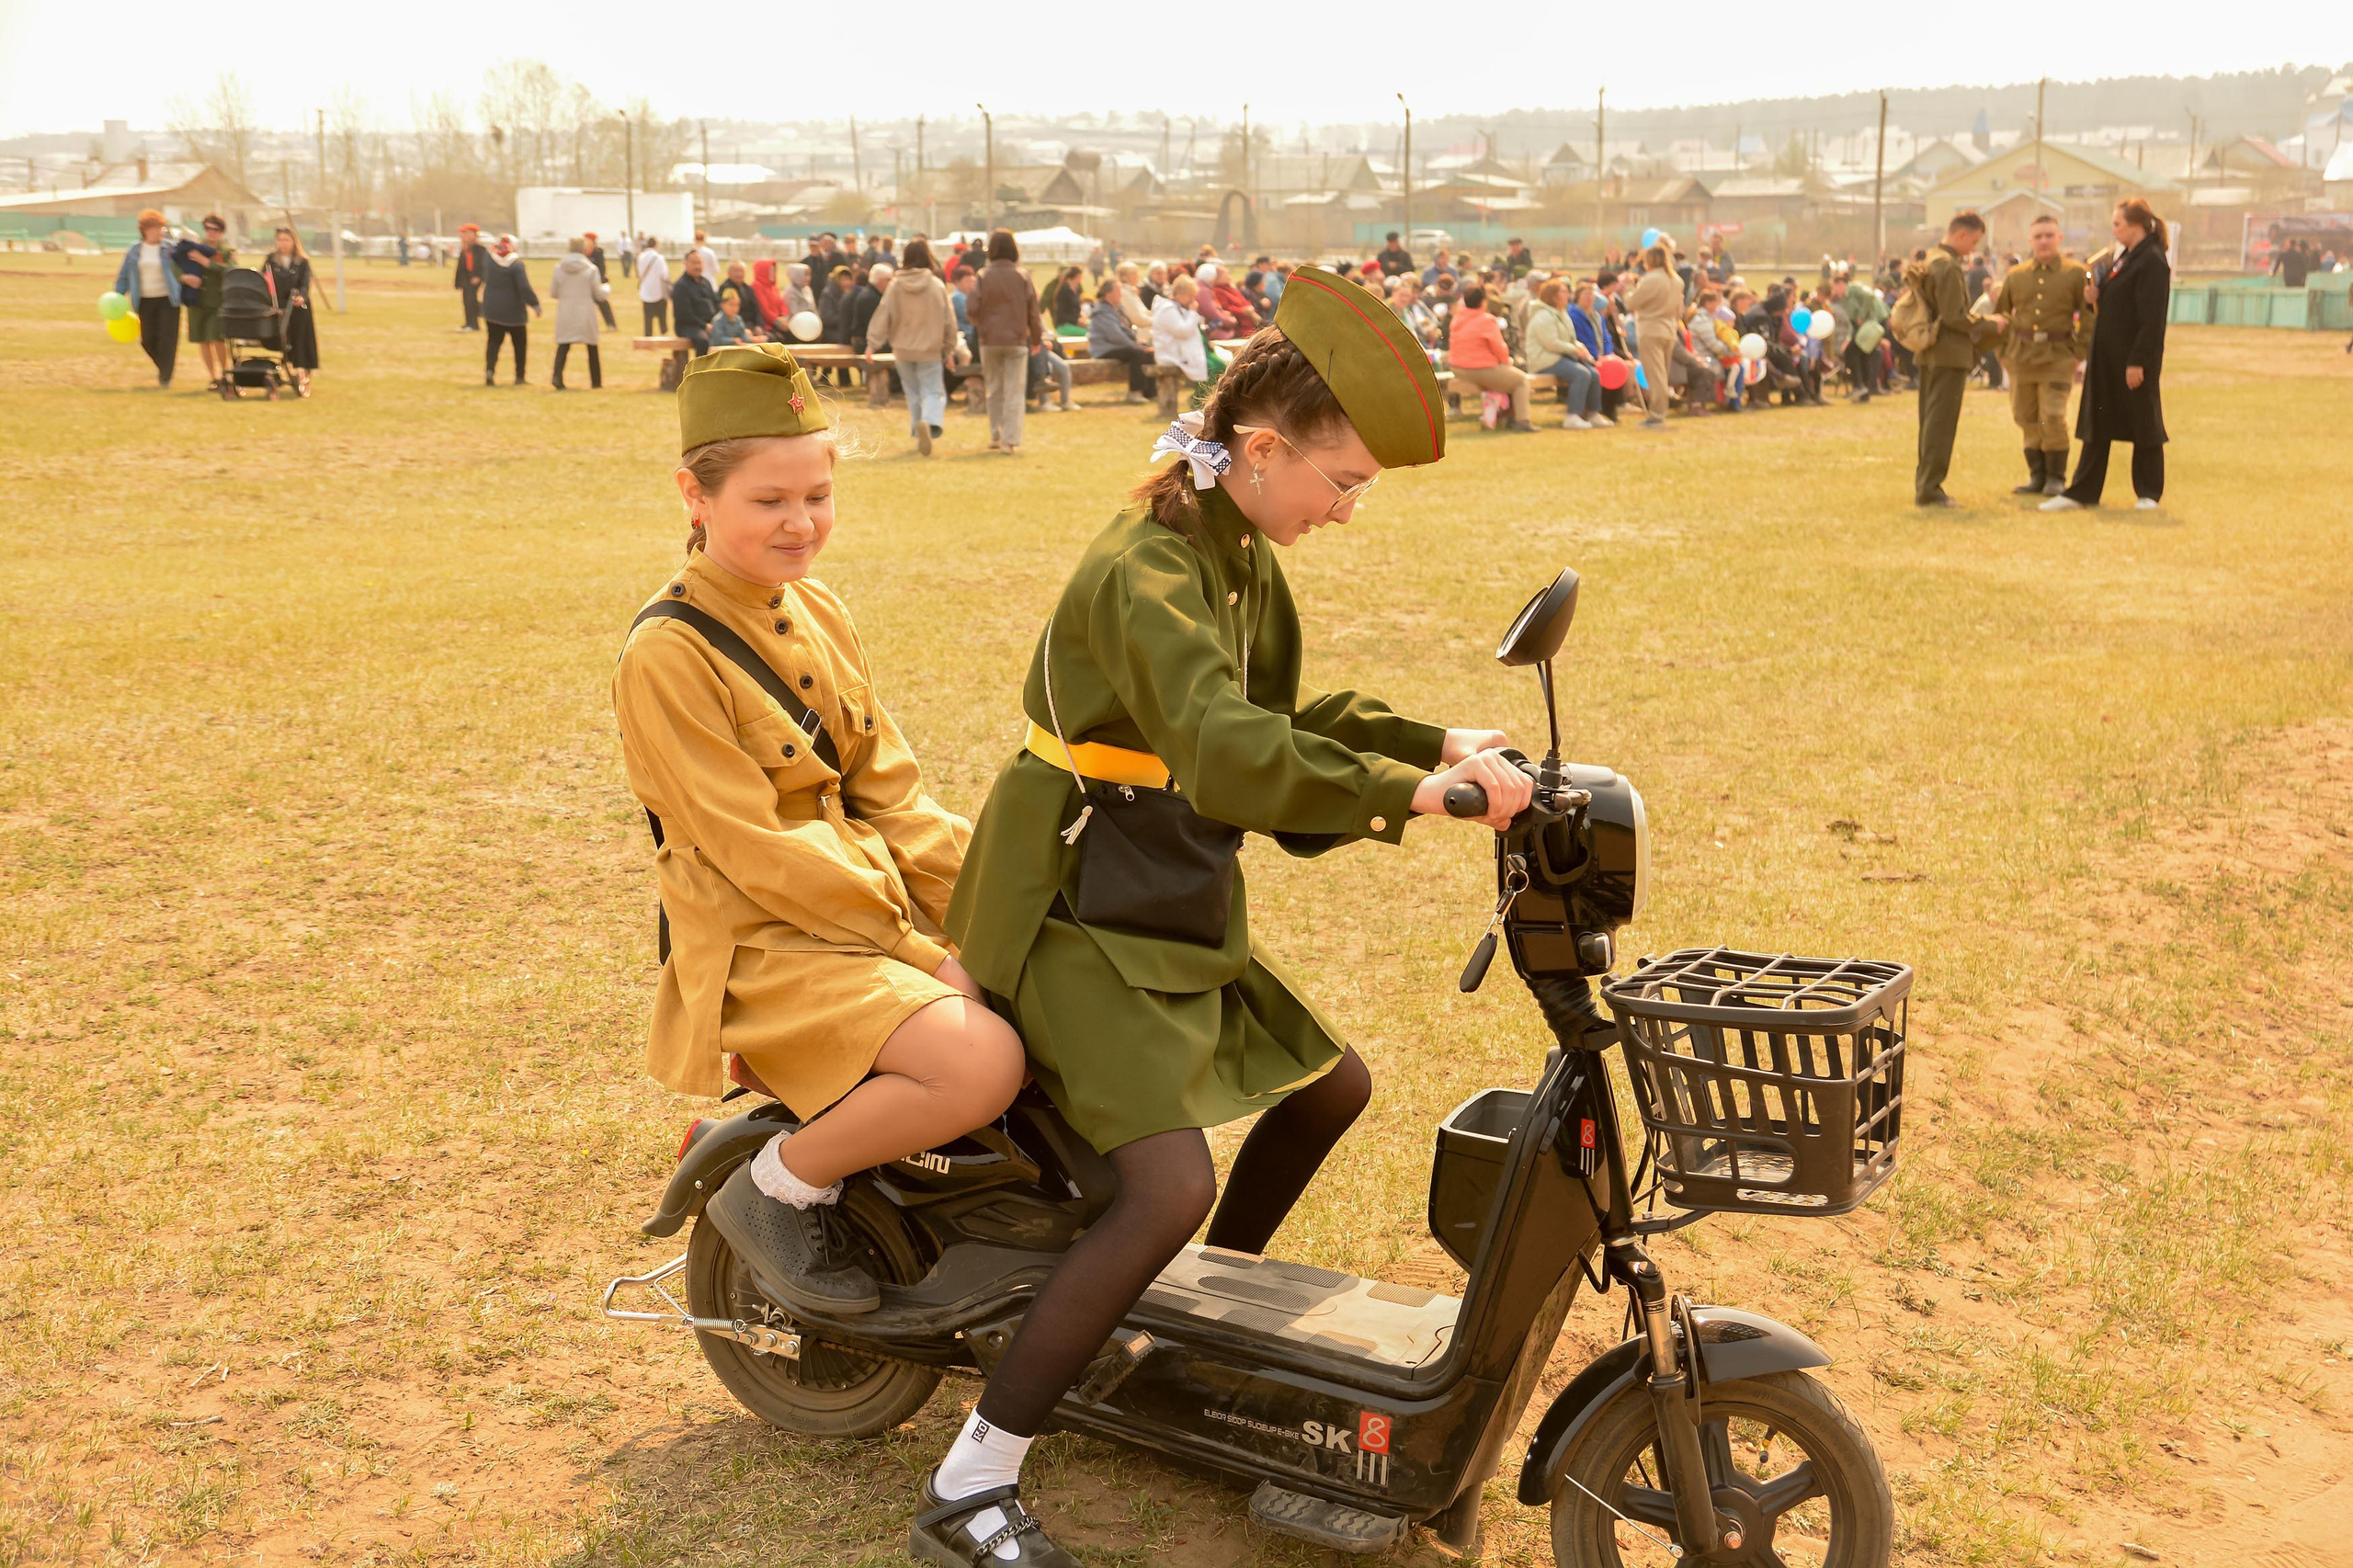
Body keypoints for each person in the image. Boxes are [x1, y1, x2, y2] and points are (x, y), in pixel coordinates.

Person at [910, 267, 1531, 1566]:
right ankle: (975, 1478)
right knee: (1164, 1185)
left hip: (1164, 886)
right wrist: (1417, 792)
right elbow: (1223, 744)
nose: (1346, 510)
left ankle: (1153, 1327)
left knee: (1328, 1084)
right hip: (1077, 900)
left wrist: (1435, 738)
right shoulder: (1147, 567)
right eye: (1344, 480)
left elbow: (1289, 720)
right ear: (1259, 449)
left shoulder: (1238, 551)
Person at [613, 344, 1024, 1320]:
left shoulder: (818, 608)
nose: (801, 522)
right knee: (979, 1060)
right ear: (694, 495)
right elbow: (760, 849)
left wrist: (993, 897)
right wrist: (922, 949)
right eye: (769, 501)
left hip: (859, 907)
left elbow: (891, 788)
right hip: (766, 937)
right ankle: (779, 1187)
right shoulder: (665, 654)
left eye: (819, 495)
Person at [2045, 199, 2171, 512]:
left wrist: (2138, 361)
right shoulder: (2122, 259)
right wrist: (2093, 298)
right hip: (2106, 356)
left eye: (2118, 224)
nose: (2114, 230)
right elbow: (2114, 305)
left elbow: (2151, 319)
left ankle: (2148, 493)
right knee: (2097, 422)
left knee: (2144, 423)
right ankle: (2083, 491)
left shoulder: (2152, 260)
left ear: (2137, 225)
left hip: (2133, 358)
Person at [1993, 214, 2094, 496]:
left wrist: (2078, 354)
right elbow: (2000, 316)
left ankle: (2055, 478)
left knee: (2052, 415)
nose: (2044, 241)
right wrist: (2002, 353)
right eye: (2038, 236)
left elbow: (2088, 317)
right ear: (2030, 241)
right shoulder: (2017, 275)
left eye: (2049, 235)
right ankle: (2036, 477)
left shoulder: (2076, 273)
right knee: (2026, 416)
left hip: (2058, 356)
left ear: (2059, 238)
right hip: (2021, 357)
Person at [1911, 211, 2004, 507]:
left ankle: (1926, 484)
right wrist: (1991, 324)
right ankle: (1930, 489)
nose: (1973, 250)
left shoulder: (1930, 259)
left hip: (1929, 352)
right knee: (1940, 425)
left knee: (1930, 423)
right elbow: (1955, 316)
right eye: (1973, 242)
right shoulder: (1948, 266)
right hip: (1949, 354)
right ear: (1961, 235)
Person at [863, 237, 969, 455]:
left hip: (902, 349)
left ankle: (917, 428)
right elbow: (949, 320)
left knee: (912, 392)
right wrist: (949, 348)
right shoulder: (936, 285)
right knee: (933, 390)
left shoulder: (895, 285)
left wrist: (872, 344)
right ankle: (929, 423)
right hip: (929, 349)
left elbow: (883, 314)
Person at [975, 229, 1042, 455]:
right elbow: (1034, 311)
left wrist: (983, 325)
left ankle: (996, 433)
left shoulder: (982, 276)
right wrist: (1036, 338)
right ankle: (1010, 440)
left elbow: (972, 309)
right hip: (1016, 340)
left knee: (994, 389)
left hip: (989, 340)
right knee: (1014, 391)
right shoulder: (1022, 276)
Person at [1444, 283, 1533, 432]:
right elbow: (1499, 348)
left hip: (1458, 368)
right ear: (1484, 302)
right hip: (1480, 369)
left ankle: (1507, 417)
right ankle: (1523, 421)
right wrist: (1506, 362)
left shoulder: (1457, 318)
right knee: (1521, 381)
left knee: (1507, 376)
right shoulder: (1487, 320)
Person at [112, 210, 183, 388]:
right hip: (145, 300)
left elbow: (183, 269)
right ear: (145, 230)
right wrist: (117, 296)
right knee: (148, 339)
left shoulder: (170, 248)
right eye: (155, 228)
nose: (160, 232)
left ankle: (165, 376)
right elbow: (124, 276)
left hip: (168, 299)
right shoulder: (134, 250)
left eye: (162, 228)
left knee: (168, 338)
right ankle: (164, 367)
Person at [1524, 278, 1603, 428]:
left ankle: (1593, 414)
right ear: (1554, 296)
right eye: (1564, 291)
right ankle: (1572, 416)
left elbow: (1571, 339)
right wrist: (1575, 350)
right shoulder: (1543, 316)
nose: (1568, 294)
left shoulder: (1562, 314)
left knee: (1593, 373)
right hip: (1544, 361)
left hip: (1559, 358)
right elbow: (1552, 343)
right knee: (1581, 374)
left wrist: (1580, 347)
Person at [1628, 244, 1683, 426]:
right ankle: (1661, 410)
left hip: (1651, 328)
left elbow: (1632, 302)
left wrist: (1630, 289)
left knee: (1655, 375)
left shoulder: (1650, 279)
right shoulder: (1676, 279)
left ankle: (1657, 414)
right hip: (1669, 328)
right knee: (1662, 374)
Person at [263, 226, 320, 398]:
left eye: (286, 240)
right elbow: (263, 280)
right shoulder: (271, 260)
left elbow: (304, 284)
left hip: (297, 307)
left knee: (302, 337)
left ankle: (304, 370)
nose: (283, 243)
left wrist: (301, 297)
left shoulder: (302, 262)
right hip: (278, 307)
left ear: (293, 241)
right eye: (280, 239)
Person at [176, 214, 231, 390]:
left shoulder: (227, 251)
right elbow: (174, 263)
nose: (211, 233)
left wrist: (207, 263)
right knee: (202, 340)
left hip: (217, 301)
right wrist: (183, 278)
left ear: (221, 232)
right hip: (196, 299)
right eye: (207, 229)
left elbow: (231, 270)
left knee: (217, 338)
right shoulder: (195, 247)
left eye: (215, 230)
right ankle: (214, 378)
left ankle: (226, 374)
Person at [479, 234, 540, 387]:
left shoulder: (488, 260)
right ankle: (520, 376)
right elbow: (524, 287)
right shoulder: (516, 264)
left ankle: (490, 371)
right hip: (514, 310)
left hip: (492, 307)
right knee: (519, 344)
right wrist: (535, 304)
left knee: (493, 342)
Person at [551, 236, 609, 391]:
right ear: (585, 250)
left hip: (565, 310)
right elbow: (599, 294)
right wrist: (607, 288)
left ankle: (557, 376)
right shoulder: (591, 269)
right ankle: (596, 381)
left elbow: (554, 292)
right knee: (592, 346)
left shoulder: (559, 268)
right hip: (585, 311)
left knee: (563, 345)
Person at [1086, 278, 1155, 402]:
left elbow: (1127, 329)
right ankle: (1135, 393)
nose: (1121, 294)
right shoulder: (1101, 311)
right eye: (1118, 290)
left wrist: (1138, 343)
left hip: (1119, 347)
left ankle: (1150, 393)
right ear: (1108, 293)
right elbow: (1115, 335)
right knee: (1138, 353)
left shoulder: (1118, 308)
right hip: (1105, 349)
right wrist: (1136, 347)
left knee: (1149, 353)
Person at [1151, 271, 1209, 395]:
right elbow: (1183, 332)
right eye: (1190, 296)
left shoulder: (1178, 307)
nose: (1192, 300)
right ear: (1178, 294)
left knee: (1216, 364)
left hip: (1181, 351)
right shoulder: (1167, 310)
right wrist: (1193, 313)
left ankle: (1201, 397)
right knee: (1211, 367)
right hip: (1171, 354)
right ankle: (1199, 399)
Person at [1839, 271, 1889, 401]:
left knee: (1851, 352)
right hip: (1863, 330)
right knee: (1863, 355)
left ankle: (1860, 386)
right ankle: (1864, 391)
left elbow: (1869, 296)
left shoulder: (1854, 288)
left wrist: (1862, 314)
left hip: (1870, 326)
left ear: (1841, 284)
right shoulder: (1844, 298)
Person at [672, 250, 721, 358]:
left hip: (710, 324)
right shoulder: (681, 286)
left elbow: (716, 303)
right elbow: (685, 314)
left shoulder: (706, 282)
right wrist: (704, 325)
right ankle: (700, 373)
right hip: (689, 326)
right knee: (703, 340)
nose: (697, 266)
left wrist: (719, 321)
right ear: (685, 264)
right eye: (694, 263)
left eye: (699, 263)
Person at [716, 260, 767, 336]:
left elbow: (756, 309)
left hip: (751, 325)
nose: (739, 274)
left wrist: (759, 325)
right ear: (728, 273)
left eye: (741, 271)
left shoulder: (748, 289)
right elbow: (728, 313)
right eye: (735, 271)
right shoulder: (726, 289)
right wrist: (744, 329)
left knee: (772, 338)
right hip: (736, 326)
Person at [454, 223, 488, 331]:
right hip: (466, 278)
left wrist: (479, 276)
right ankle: (469, 323)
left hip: (475, 278)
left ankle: (474, 324)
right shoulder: (465, 249)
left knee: (471, 300)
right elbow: (461, 267)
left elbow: (484, 265)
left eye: (466, 233)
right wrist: (458, 281)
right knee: (466, 301)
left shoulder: (480, 249)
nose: (463, 236)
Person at [583, 232, 618, 329]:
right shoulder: (583, 252)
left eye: (587, 240)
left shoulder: (598, 252)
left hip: (597, 282)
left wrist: (600, 281)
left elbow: (602, 268)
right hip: (586, 283)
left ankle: (611, 324)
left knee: (603, 303)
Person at [638, 237, 671, 335]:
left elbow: (640, 273)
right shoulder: (659, 258)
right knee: (662, 316)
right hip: (658, 290)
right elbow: (664, 274)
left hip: (645, 290)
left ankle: (648, 335)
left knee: (648, 318)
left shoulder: (641, 257)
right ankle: (663, 332)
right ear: (656, 245)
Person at [1049, 266, 1086, 331]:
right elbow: (1062, 313)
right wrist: (1077, 321)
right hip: (1064, 324)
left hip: (1074, 321)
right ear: (1077, 276)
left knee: (1094, 325)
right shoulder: (1064, 290)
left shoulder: (1077, 289)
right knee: (1089, 333)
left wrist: (1081, 318)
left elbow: (1076, 309)